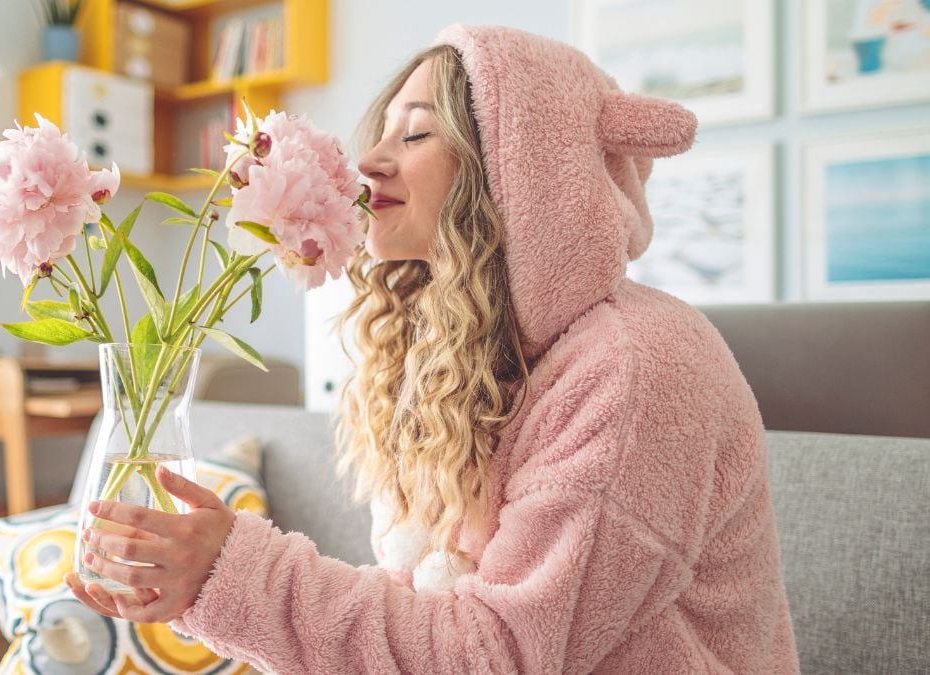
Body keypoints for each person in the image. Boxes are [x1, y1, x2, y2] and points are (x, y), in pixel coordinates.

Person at [65, 24, 800, 673]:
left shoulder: (636, 368)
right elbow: (425, 613)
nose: (369, 163)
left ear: (521, 168)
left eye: (415, 135)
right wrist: (196, 582)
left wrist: (233, 573)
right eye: (381, 132)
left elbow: (501, 654)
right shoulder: (457, 351)